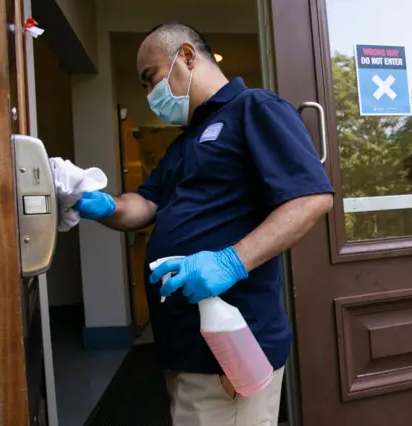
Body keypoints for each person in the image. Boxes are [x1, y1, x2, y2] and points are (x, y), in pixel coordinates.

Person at [73, 22, 334, 426]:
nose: (149, 96)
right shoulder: (184, 143)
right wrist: (104, 206)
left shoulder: (255, 109)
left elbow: (310, 198)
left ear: (188, 57)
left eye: (150, 79)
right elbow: (144, 202)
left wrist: (230, 261)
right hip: (187, 346)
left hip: (231, 349)